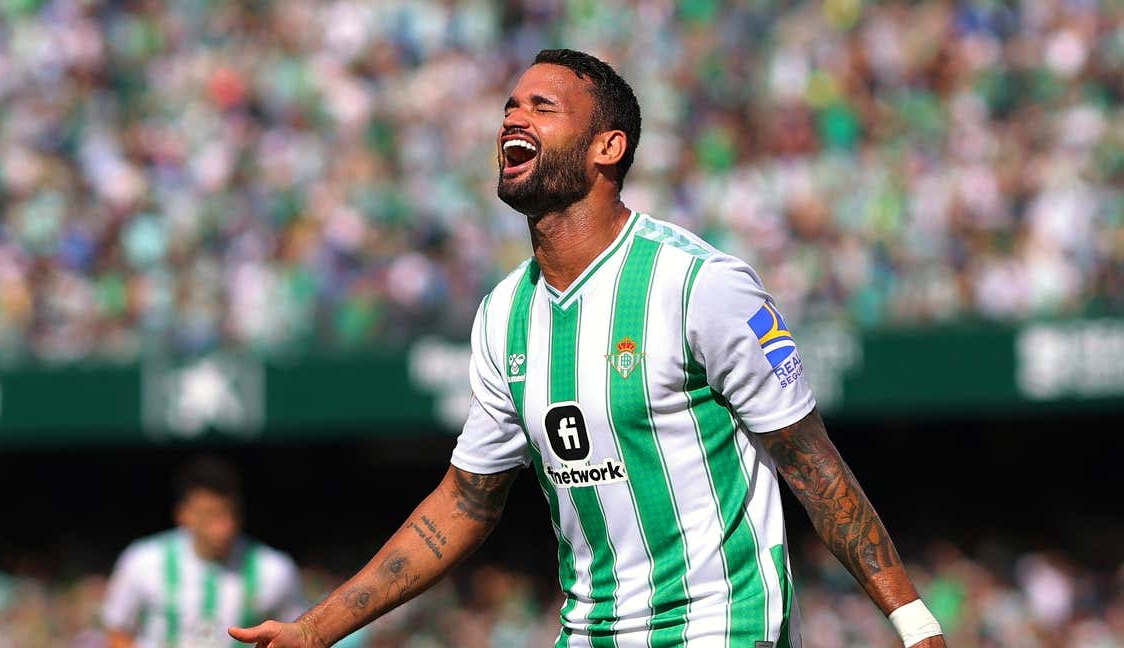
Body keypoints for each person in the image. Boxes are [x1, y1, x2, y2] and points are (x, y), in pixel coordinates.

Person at [230, 49, 945, 648]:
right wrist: (316, 629)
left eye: (543, 107)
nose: (514, 116)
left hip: (720, 629)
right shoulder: (505, 315)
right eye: (511, 105)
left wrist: (914, 623)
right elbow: (463, 504)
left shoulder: (699, 284)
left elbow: (811, 463)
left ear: (610, 147)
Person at [103, 455, 305, 647]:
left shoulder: (274, 568)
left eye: (231, 513)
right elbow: (117, 632)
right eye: (210, 516)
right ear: (183, 515)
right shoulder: (142, 560)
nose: (224, 528)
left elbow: (297, 635)